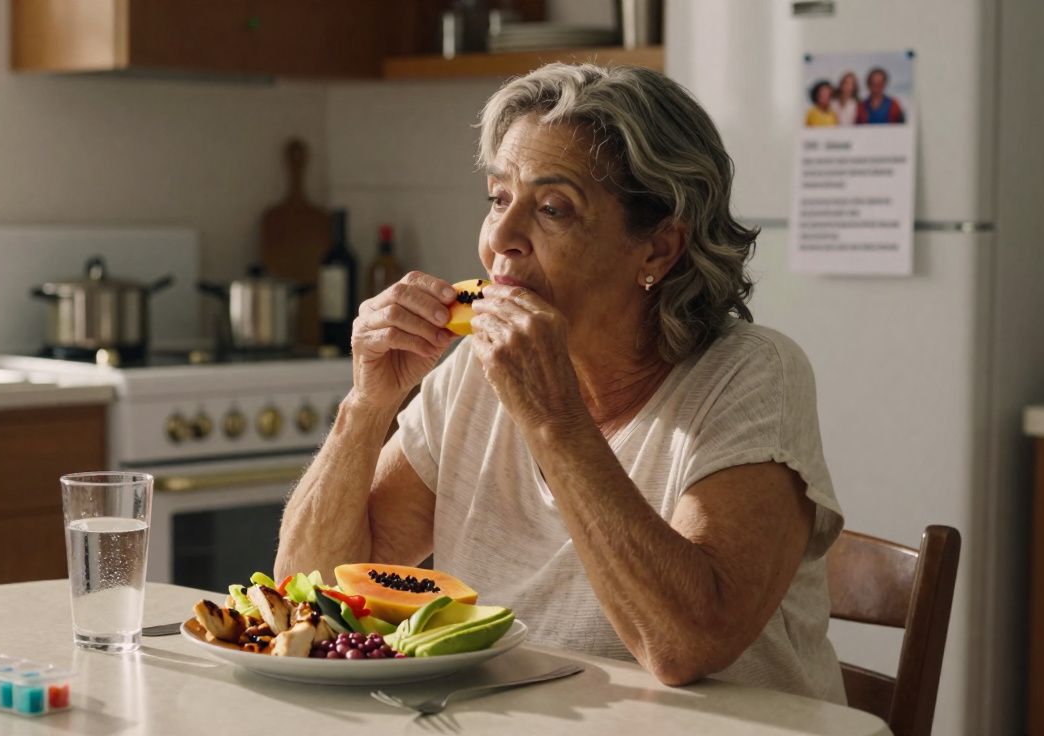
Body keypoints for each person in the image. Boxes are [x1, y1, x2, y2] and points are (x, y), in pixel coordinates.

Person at [275, 63, 846, 704]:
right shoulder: (473, 372)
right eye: (498, 199)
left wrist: (553, 417)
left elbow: (686, 643)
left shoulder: (753, 376)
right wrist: (366, 404)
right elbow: (316, 593)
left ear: (658, 250)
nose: (500, 239)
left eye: (552, 209)